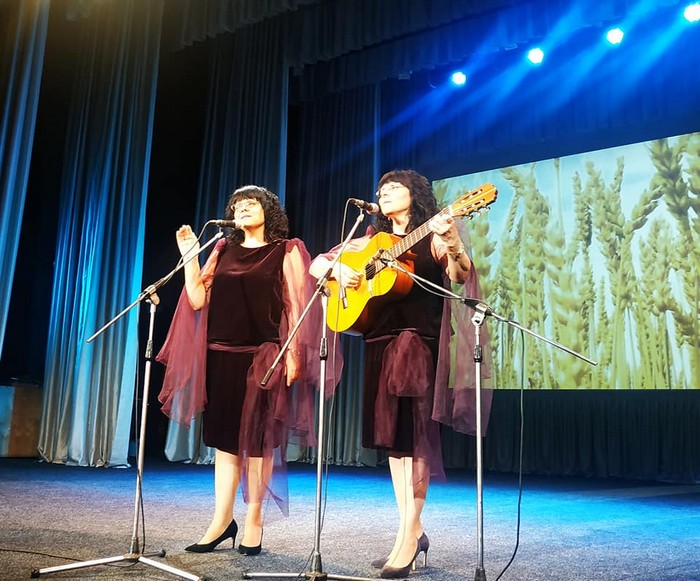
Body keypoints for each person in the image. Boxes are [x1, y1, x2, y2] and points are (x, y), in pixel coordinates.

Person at [309, 169, 491, 579]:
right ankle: (413, 530)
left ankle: (407, 539)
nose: (384, 193)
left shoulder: (431, 234)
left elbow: (460, 274)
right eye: (381, 189)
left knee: (416, 439)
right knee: (394, 443)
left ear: (415, 195)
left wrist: (452, 240)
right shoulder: (370, 239)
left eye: (394, 188)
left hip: (417, 344)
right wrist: (337, 272)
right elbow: (317, 264)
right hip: (379, 342)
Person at [157, 185, 337, 555]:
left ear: (269, 211)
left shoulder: (286, 249)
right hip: (221, 354)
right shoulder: (222, 249)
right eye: (237, 205)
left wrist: (293, 358)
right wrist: (190, 256)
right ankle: (221, 520)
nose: (242, 208)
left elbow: (297, 305)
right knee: (225, 444)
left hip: (265, 356)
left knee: (257, 443)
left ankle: (254, 519)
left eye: (251, 203)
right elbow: (197, 299)